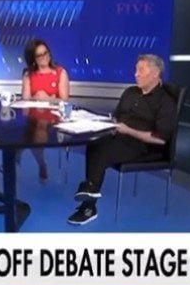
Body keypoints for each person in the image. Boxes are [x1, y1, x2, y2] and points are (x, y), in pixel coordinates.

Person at [68, 54, 177, 225]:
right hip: (119, 136)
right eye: (136, 70)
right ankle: (90, 190)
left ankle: (88, 204)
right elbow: (117, 117)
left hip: (143, 146)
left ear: (155, 73)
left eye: (141, 70)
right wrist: (106, 124)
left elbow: (161, 140)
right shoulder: (130, 92)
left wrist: (128, 130)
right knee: (94, 141)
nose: (136, 74)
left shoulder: (165, 102)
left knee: (103, 150)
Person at [20, 39, 70, 181]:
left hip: (54, 118)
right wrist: (39, 98)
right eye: (40, 55)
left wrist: (47, 98)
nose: (44, 57)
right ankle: (38, 163)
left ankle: (32, 160)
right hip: (33, 116)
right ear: (33, 59)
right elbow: (25, 99)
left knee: (39, 130)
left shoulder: (60, 72)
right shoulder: (28, 74)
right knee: (35, 128)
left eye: (46, 53)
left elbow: (64, 100)